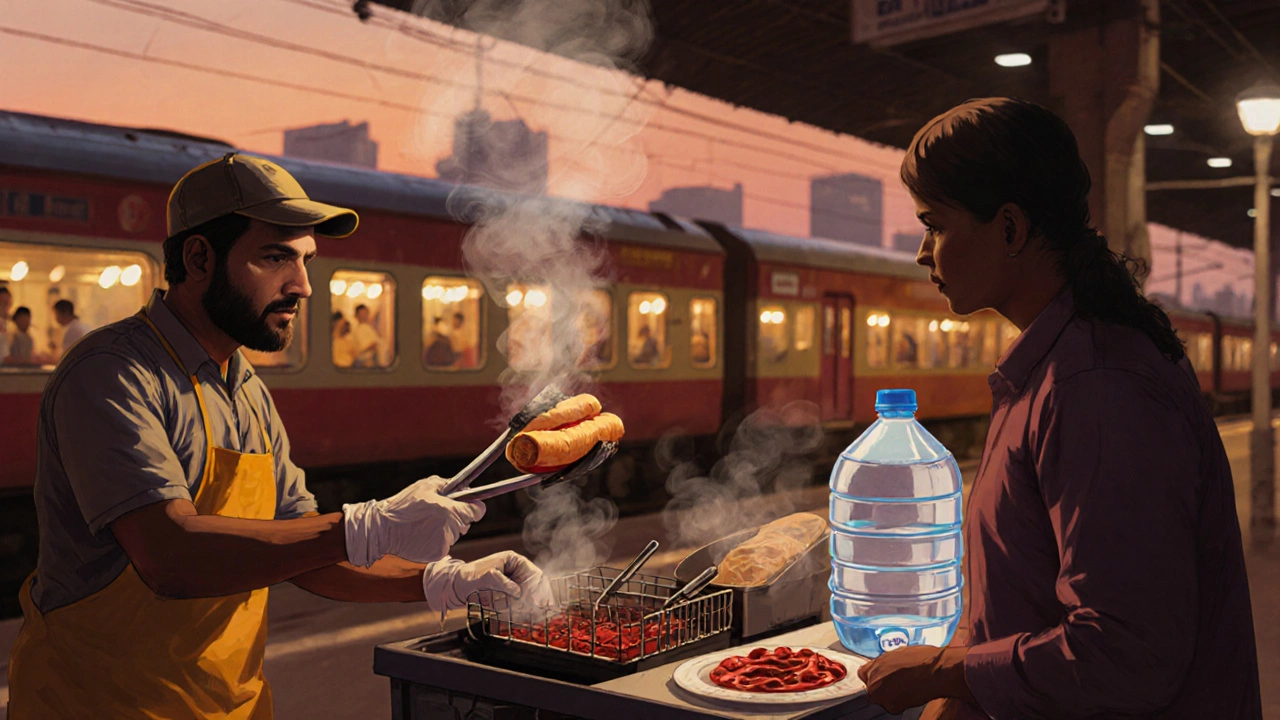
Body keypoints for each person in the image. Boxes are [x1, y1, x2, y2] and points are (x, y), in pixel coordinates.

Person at [6, 152, 551, 720]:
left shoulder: (247, 392)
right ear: (198, 258)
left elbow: (302, 552)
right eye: (276, 258)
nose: (303, 286)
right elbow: (170, 556)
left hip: (228, 707)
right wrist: (363, 525)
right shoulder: (113, 374)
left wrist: (445, 583)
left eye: (306, 260)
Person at [855, 98, 1262, 720]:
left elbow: (1128, 653)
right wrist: (958, 687)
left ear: (1011, 229)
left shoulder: (1097, 389)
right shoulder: (1053, 365)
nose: (921, 251)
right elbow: (1023, 591)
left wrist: (950, 671)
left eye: (935, 225)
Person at [351, 303, 382, 367]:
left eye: (366, 313)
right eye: (362, 314)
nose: (365, 316)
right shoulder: (361, 329)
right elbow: (367, 346)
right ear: (357, 316)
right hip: (366, 363)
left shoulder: (367, 327)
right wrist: (375, 346)